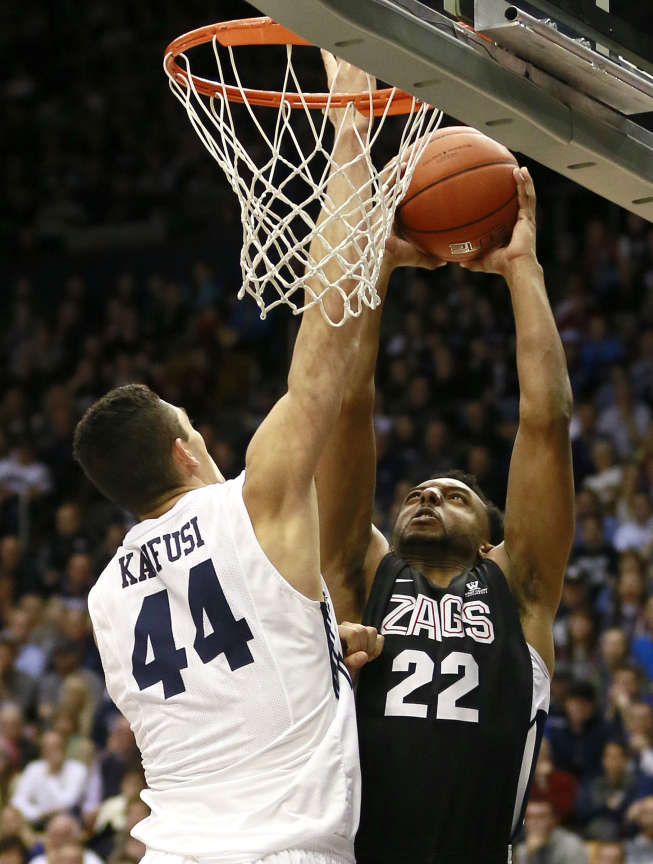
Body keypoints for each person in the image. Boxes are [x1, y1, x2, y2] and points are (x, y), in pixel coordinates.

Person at [72, 55, 382, 864]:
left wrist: (314, 637)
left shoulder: (105, 600)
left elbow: (217, 689)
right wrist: (348, 131)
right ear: (185, 449)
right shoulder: (251, 504)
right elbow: (327, 339)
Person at [316, 168, 575, 862]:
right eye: (416, 494)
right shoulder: (356, 570)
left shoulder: (517, 588)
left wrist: (521, 267)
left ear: (492, 541)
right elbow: (347, 406)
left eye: (452, 496)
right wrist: (376, 264)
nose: (426, 497)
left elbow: (544, 422)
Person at [515, 798, 588, 863]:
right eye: (529, 817)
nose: (534, 822)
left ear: (553, 820)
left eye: (540, 817)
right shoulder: (523, 850)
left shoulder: (571, 845)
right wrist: (530, 854)